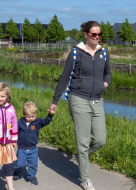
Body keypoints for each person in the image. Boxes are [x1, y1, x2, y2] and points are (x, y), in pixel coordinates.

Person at [49, 21, 111, 190]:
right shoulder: (76, 53)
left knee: (100, 140)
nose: (97, 37)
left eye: (99, 34)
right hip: (78, 99)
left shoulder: (103, 52)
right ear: (86, 34)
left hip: (97, 100)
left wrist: (105, 84)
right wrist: (55, 100)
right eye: (94, 34)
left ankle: (81, 157)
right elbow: (64, 76)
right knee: (83, 142)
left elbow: (108, 72)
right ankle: (85, 179)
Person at [13, 101, 55, 185]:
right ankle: (16, 172)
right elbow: (14, 131)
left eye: (33, 116)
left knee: (33, 164)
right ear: (23, 114)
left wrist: (50, 115)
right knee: (20, 164)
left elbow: (46, 121)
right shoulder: (19, 123)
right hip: (22, 148)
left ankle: (31, 176)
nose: (31, 118)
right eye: (28, 116)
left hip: (33, 149)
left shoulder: (37, 122)